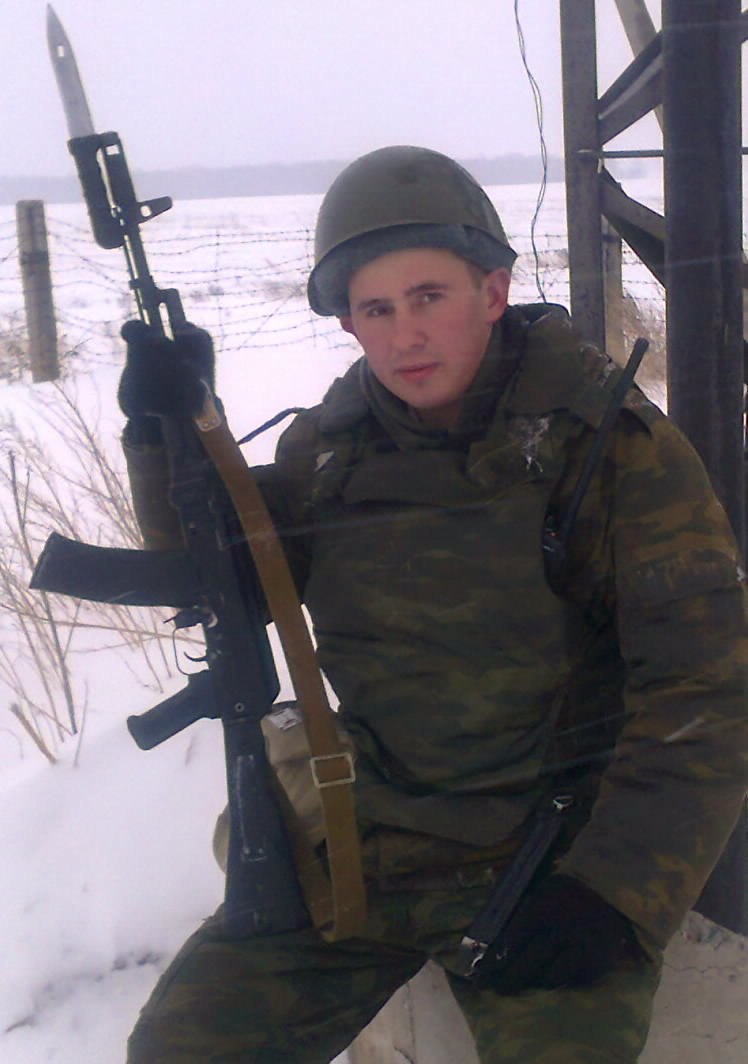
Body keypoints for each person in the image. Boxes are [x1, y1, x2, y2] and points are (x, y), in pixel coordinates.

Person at [119, 146, 747, 1063]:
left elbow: (706, 689)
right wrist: (166, 434)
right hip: (370, 844)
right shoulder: (327, 453)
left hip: (548, 859)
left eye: (429, 297)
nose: (406, 335)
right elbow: (218, 583)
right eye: (377, 309)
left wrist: (614, 895)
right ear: (348, 323)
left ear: (492, 292)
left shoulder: (610, 450)